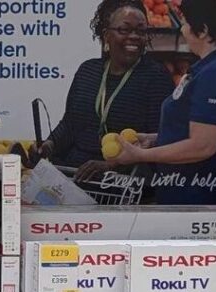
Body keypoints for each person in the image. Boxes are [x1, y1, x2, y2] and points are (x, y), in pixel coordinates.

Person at [30, 0, 173, 185]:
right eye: (124, 29)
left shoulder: (156, 77)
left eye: (141, 31)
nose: (134, 36)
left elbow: (161, 140)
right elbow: (70, 124)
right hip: (72, 176)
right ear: (106, 36)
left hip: (122, 185)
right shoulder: (87, 71)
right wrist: (49, 145)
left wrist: (111, 166)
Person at [112, 0, 216, 205]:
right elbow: (205, 129)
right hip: (189, 194)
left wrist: (141, 155)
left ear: (203, 30)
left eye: (186, 23)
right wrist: (155, 139)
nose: (182, 29)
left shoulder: (215, 74)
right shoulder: (212, 67)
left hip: (197, 197)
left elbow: (202, 145)